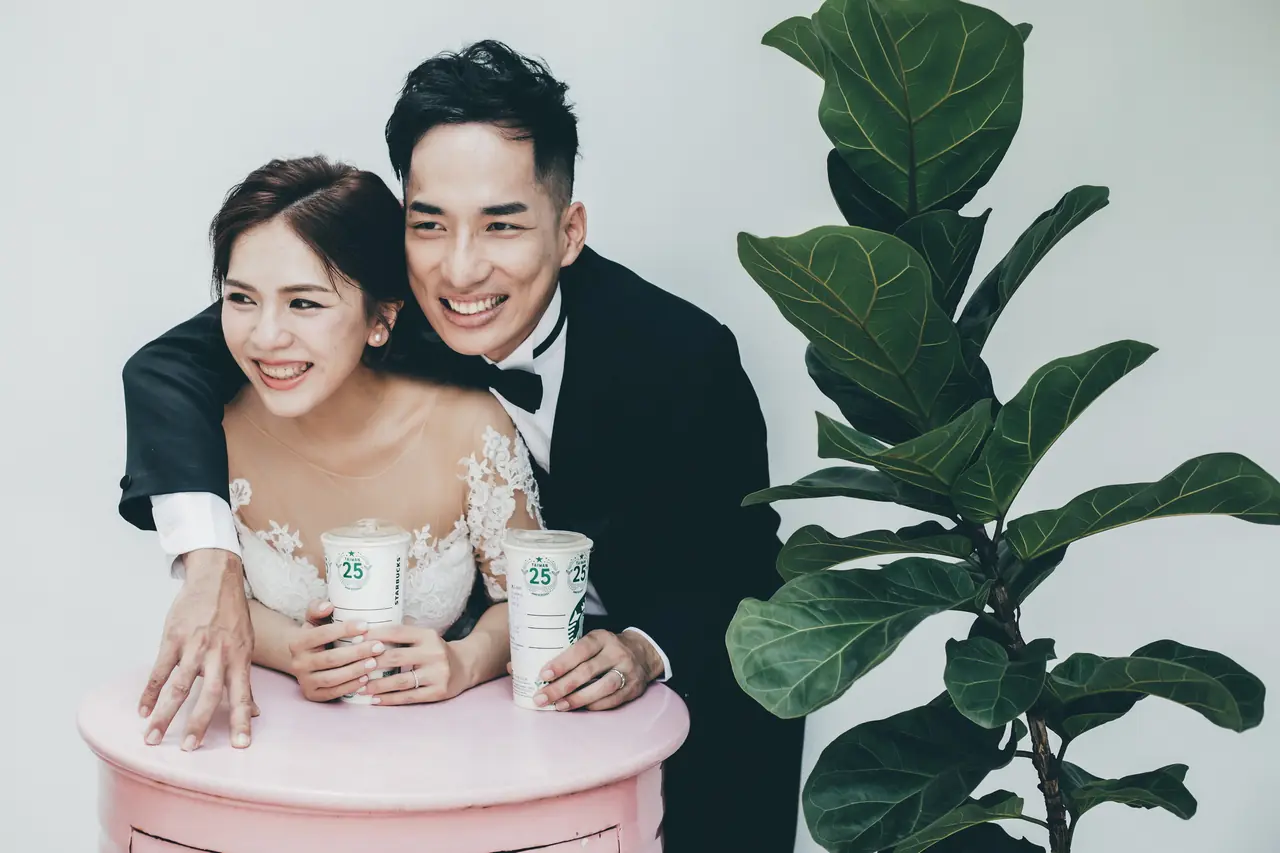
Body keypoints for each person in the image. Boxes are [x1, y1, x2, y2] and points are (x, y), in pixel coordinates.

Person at [119, 41, 803, 851]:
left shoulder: (682, 355)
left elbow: (746, 562)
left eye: (502, 224)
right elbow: (169, 366)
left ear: (569, 231)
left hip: (691, 710)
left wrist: (646, 648)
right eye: (430, 224)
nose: (461, 269)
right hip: (482, 738)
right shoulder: (376, 301)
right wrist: (211, 565)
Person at [134, 154, 543, 750]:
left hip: (455, 752)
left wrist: (466, 660)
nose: (266, 337)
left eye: (304, 303)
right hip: (269, 747)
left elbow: (532, 599)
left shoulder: (470, 429)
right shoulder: (208, 433)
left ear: (381, 317)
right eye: (242, 299)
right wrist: (292, 651)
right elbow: (222, 600)